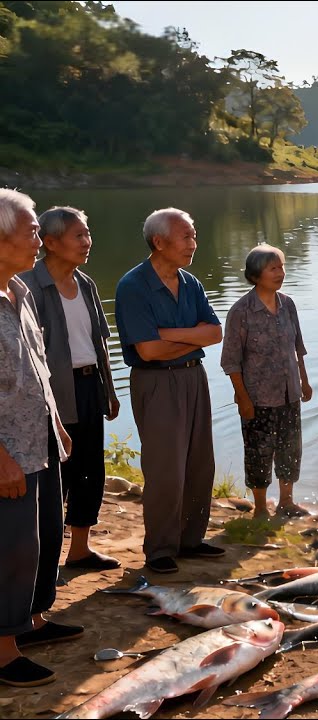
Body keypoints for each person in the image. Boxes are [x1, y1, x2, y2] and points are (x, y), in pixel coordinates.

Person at [114, 208, 223, 575]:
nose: (194, 243)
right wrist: (190, 338)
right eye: (186, 237)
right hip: (156, 382)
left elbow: (215, 333)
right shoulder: (133, 286)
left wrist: (170, 334)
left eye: (194, 236)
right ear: (159, 242)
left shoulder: (190, 283)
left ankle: (190, 539)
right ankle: (160, 547)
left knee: (200, 463)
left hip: (195, 377)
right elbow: (148, 351)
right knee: (165, 470)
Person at [0, 189, 78, 687]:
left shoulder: (19, 292)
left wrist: (57, 424)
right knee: (8, 549)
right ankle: (4, 653)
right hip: (8, 453)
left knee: (35, 541)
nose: (38, 241)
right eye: (31, 233)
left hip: (38, 441)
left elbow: (37, 370)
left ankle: (26, 623)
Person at [19, 207, 122, 571]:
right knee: (54, 477)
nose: (87, 242)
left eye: (87, 233)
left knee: (91, 469)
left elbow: (98, 342)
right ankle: (40, 565)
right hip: (51, 394)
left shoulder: (87, 284)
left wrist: (108, 389)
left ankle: (79, 550)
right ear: (50, 242)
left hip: (89, 385)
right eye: (79, 235)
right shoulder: (28, 287)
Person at [221, 244, 312, 520]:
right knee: (258, 451)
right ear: (256, 275)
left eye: (281, 267)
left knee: (290, 448)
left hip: (289, 392)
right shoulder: (241, 311)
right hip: (258, 396)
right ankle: (260, 508)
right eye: (273, 268)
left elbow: (298, 346)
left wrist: (304, 381)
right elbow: (231, 361)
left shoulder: (288, 304)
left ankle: (286, 502)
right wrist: (242, 398)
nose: (280, 273)